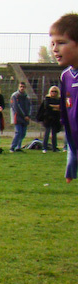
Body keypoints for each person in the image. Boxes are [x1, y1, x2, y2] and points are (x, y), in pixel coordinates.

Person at [50, 13, 78, 181]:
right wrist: (72, 158)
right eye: (53, 43)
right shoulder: (65, 77)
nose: (54, 49)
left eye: (61, 43)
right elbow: (68, 120)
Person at [37, 85, 62, 153]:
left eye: (55, 91)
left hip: (55, 119)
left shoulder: (59, 99)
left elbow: (61, 107)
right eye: (52, 91)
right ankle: (44, 147)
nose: (54, 93)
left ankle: (54, 148)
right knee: (47, 133)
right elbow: (47, 106)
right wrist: (55, 107)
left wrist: (53, 106)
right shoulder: (47, 99)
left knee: (54, 134)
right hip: (48, 118)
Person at [9, 81, 32, 152]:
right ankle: (12, 147)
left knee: (23, 133)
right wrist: (24, 115)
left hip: (25, 118)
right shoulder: (15, 96)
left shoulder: (27, 96)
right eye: (20, 87)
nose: (22, 88)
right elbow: (16, 107)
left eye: (23, 87)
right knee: (18, 132)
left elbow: (30, 107)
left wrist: (28, 115)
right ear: (18, 87)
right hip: (17, 117)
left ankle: (18, 147)